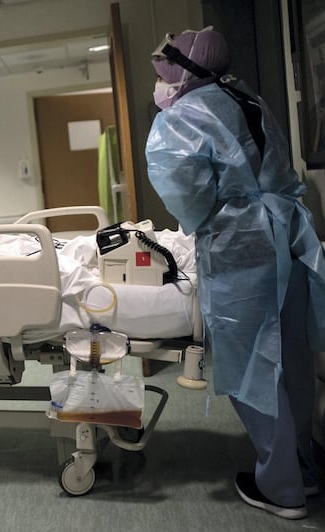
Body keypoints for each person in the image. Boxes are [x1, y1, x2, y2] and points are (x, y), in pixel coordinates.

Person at [145, 28, 325, 519]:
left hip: (242, 248)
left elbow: (190, 202)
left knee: (252, 367)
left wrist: (212, 220)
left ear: (183, 70)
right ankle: (305, 468)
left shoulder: (182, 119)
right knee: (291, 359)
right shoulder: (245, 98)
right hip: (286, 238)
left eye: (165, 69)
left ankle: (281, 487)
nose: (160, 80)